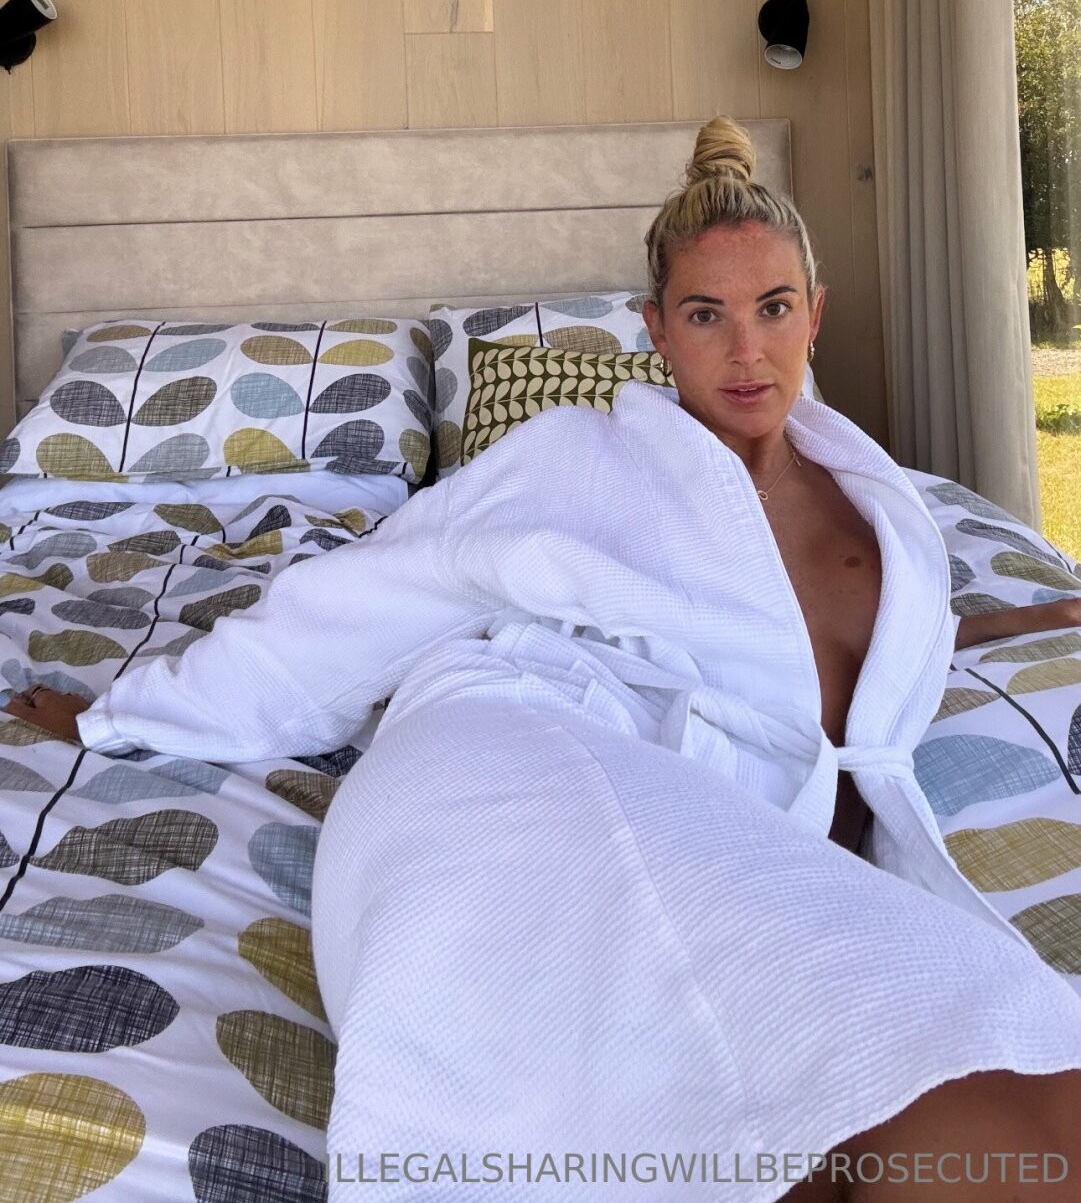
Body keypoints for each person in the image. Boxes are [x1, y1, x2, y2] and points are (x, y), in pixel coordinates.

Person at [8, 114, 1081, 1203]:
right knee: (900, 1096)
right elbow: (357, 601)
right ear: (654, 329)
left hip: (713, 818)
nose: (744, 351)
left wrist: (1004, 622)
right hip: (517, 751)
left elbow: (843, 639)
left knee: (1023, 1086)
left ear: (815, 312)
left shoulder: (885, 503)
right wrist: (123, 714)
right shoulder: (573, 457)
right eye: (704, 315)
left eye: (772, 308)